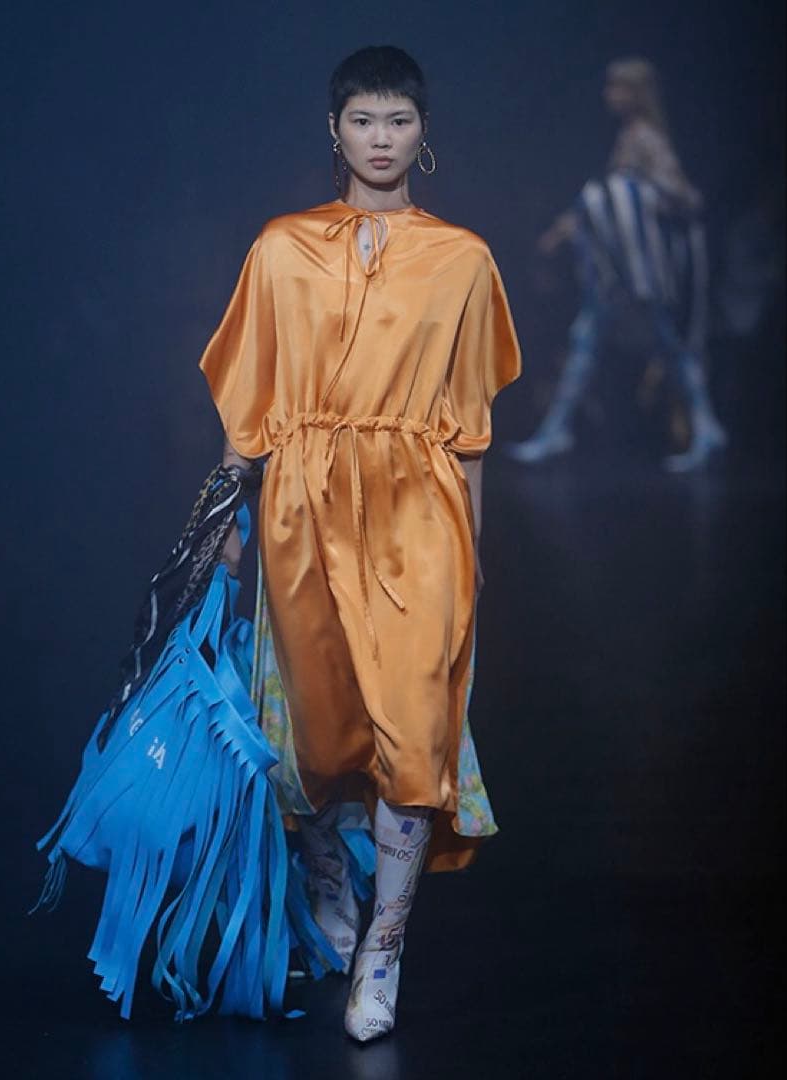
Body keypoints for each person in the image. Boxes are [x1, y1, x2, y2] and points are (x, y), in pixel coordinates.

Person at [199, 45, 520, 1041]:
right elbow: (248, 405)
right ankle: (328, 875)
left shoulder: (462, 259)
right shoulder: (280, 248)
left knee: (413, 728)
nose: (381, 140)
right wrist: (223, 525)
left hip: (420, 513)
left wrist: (473, 546)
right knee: (313, 725)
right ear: (333, 131)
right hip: (300, 507)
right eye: (363, 121)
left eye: (399, 121)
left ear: (424, 134)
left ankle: (384, 947)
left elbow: (470, 428)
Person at [506, 57, 726, 472]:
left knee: (665, 344)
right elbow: (605, 202)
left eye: (617, 88)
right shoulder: (630, 137)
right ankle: (557, 428)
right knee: (586, 342)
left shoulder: (646, 139)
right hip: (615, 270)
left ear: (636, 93)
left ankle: (705, 424)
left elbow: (681, 195)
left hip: (636, 271)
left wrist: (642, 199)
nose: (609, 95)